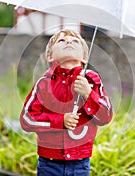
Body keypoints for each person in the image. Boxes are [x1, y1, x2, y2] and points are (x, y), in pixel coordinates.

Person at [20, 29, 113, 176]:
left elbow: (105, 116)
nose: (69, 41)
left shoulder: (90, 82)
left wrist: (88, 94)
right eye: (61, 41)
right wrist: (60, 121)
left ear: (84, 57)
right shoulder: (43, 84)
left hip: (80, 164)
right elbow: (27, 120)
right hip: (49, 163)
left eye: (75, 41)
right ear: (49, 56)